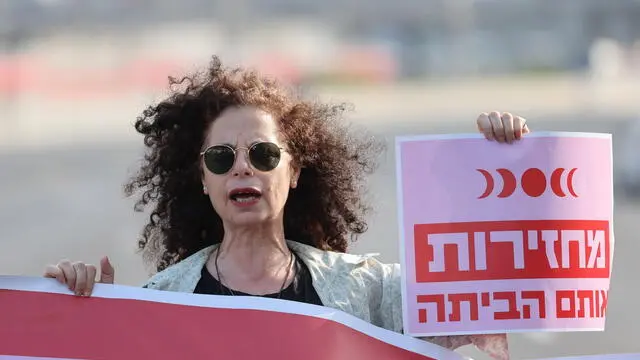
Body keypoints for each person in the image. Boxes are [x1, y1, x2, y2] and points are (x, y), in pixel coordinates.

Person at [44, 56, 530, 360]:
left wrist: (496, 164)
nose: (241, 169)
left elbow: (490, 300)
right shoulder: (161, 299)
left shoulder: (369, 290)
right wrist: (93, 320)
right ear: (203, 180)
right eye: (221, 158)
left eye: (263, 154)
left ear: (294, 173)